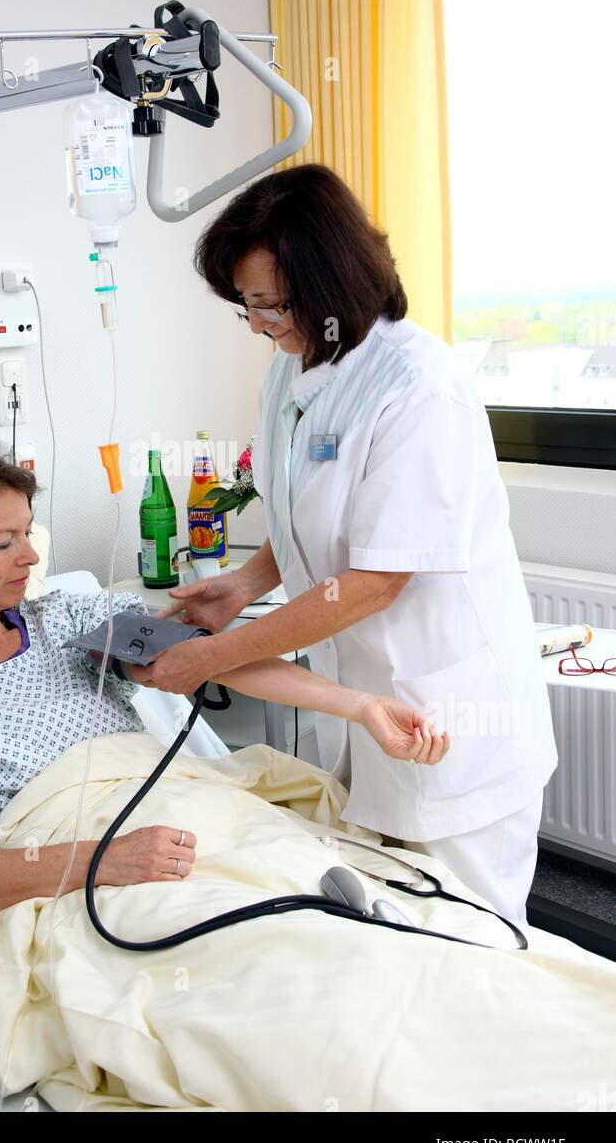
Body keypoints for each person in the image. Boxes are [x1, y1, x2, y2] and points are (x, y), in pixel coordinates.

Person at [127, 163, 557, 930]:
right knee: (392, 935)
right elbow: (309, 518)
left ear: (330, 283)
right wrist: (240, 583)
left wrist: (212, 658)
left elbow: (374, 579)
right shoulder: (296, 369)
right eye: (246, 308)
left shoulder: (418, 387)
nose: (259, 324)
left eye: (270, 304)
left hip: (449, 712)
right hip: (367, 704)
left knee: (475, 941)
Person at [0, 450, 447, 946]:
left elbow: (216, 661)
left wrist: (361, 707)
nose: (31, 555)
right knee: (261, 946)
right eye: (4, 544)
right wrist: (103, 861)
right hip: (86, 869)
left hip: (182, 811)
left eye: (28, 532)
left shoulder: (68, 621)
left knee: (350, 904)